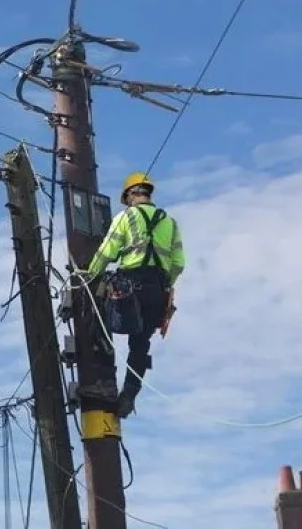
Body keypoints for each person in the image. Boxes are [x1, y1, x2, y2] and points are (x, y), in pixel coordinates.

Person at [85, 171, 185, 418]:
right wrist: (166, 284)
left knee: (97, 315)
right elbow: (179, 263)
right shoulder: (169, 222)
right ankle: (129, 393)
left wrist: (89, 275)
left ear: (130, 195)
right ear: (148, 193)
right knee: (140, 345)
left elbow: (107, 250)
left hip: (129, 286)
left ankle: (104, 381)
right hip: (159, 292)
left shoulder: (126, 217)